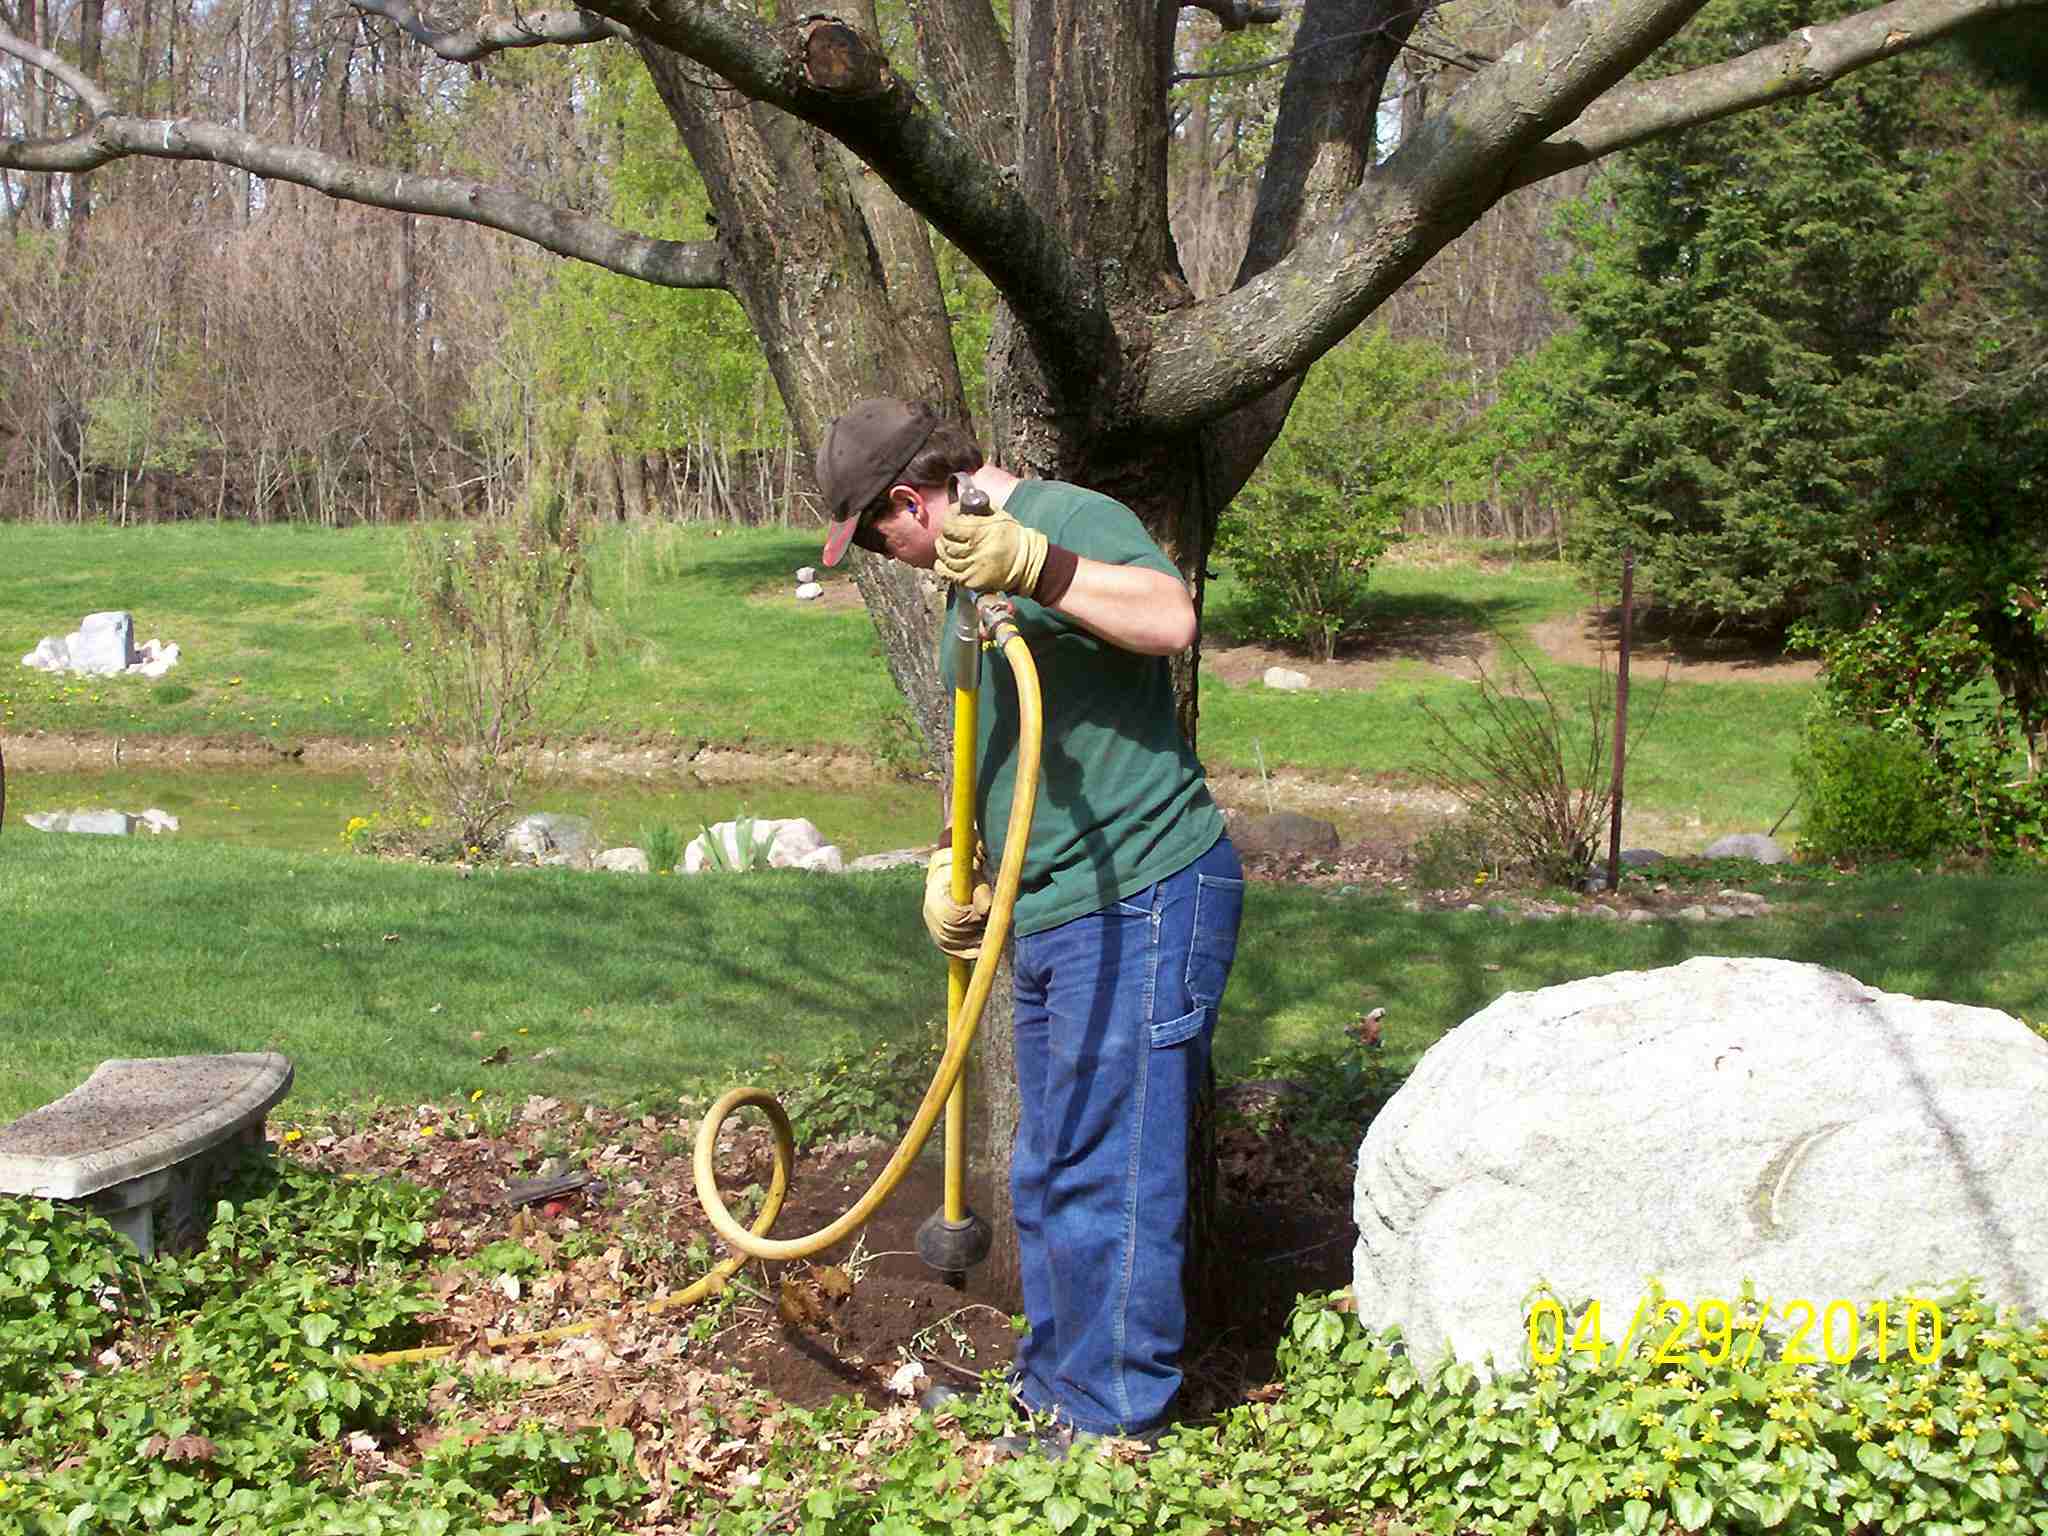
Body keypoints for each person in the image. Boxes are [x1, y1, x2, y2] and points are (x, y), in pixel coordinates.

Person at [817, 398, 1244, 1449]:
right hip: (1051, 905)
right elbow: (995, 740)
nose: (887, 556)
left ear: (908, 503)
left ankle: (1108, 1421)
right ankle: (1056, 1385)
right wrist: (948, 859)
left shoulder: (1063, 520)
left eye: (876, 535)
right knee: (1049, 1170)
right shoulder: (965, 581)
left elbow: (1167, 618)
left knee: (1113, 1170)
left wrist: (1036, 564)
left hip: (1141, 890)